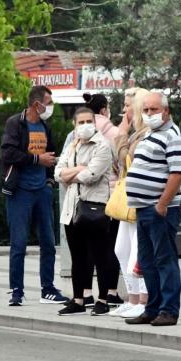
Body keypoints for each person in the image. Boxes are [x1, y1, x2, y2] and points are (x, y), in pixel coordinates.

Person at [124, 91, 181, 327]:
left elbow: (178, 172)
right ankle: (152, 308)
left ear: (166, 111)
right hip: (143, 208)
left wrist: (162, 204)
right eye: (146, 110)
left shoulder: (174, 135)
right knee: (147, 260)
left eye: (154, 109)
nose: (150, 114)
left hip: (160, 208)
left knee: (164, 259)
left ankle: (169, 310)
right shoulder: (151, 133)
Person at [1, 85, 67, 307]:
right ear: (36, 104)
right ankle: (16, 291)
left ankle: (47, 288)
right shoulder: (15, 123)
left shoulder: (44, 126)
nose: (51, 107)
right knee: (18, 243)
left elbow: (52, 154)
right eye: (48, 102)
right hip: (20, 190)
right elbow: (8, 153)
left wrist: (49, 181)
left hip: (42, 190)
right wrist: (37, 160)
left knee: (48, 242)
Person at [55, 107, 115, 316]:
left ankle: (103, 299)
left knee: (100, 255)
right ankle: (78, 299)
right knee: (78, 256)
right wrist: (77, 169)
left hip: (95, 207)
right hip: (72, 208)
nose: (85, 125)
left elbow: (91, 175)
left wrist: (73, 173)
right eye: (81, 122)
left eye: (89, 121)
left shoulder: (102, 146)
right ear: (74, 124)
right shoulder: (72, 145)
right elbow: (57, 172)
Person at [111, 87, 150, 318]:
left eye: (127, 105)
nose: (123, 110)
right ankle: (132, 298)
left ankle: (143, 300)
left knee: (138, 252)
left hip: (140, 198)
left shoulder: (144, 134)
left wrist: (121, 134)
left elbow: (131, 159)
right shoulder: (135, 133)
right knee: (121, 249)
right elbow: (120, 162)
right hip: (128, 197)